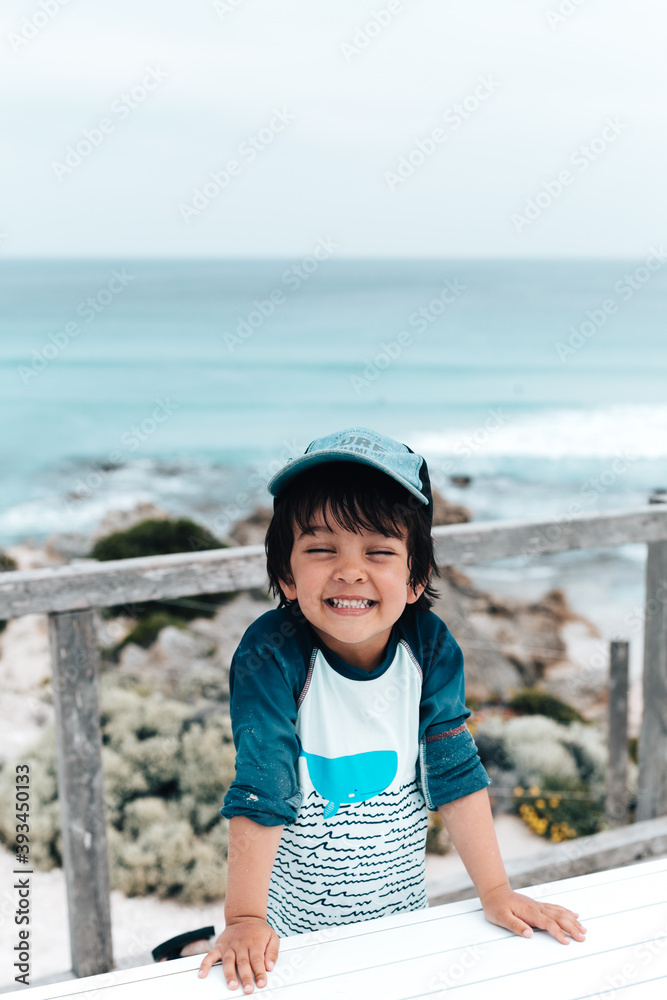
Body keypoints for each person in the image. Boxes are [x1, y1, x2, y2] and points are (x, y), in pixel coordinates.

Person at [198, 427, 587, 992]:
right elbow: (263, 785)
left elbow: (455, 773)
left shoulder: (429, 648)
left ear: (415, 578)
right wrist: (243, 920)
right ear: (286, 573)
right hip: (288, 936)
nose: (349, 570)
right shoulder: (270, 653)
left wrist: (496, 892)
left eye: (379, 551)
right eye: (321, 549)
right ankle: (194, 939)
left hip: (402, 922)